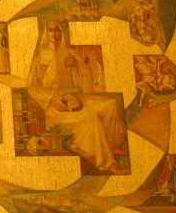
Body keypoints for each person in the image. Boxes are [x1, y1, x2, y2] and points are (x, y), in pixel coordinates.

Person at [28, 20, 127, 174]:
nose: (54, 34)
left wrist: (76, 65)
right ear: (46, 33)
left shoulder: (68, 52)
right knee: (92, 118)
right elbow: (32, 87)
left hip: (76, 96)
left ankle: (110, 144)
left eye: (57, 30)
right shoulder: (40, 55)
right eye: (50, 30)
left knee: (111, 104)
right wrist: (51, 99)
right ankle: (108, 162)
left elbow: (86, 75)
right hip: (55, 103)